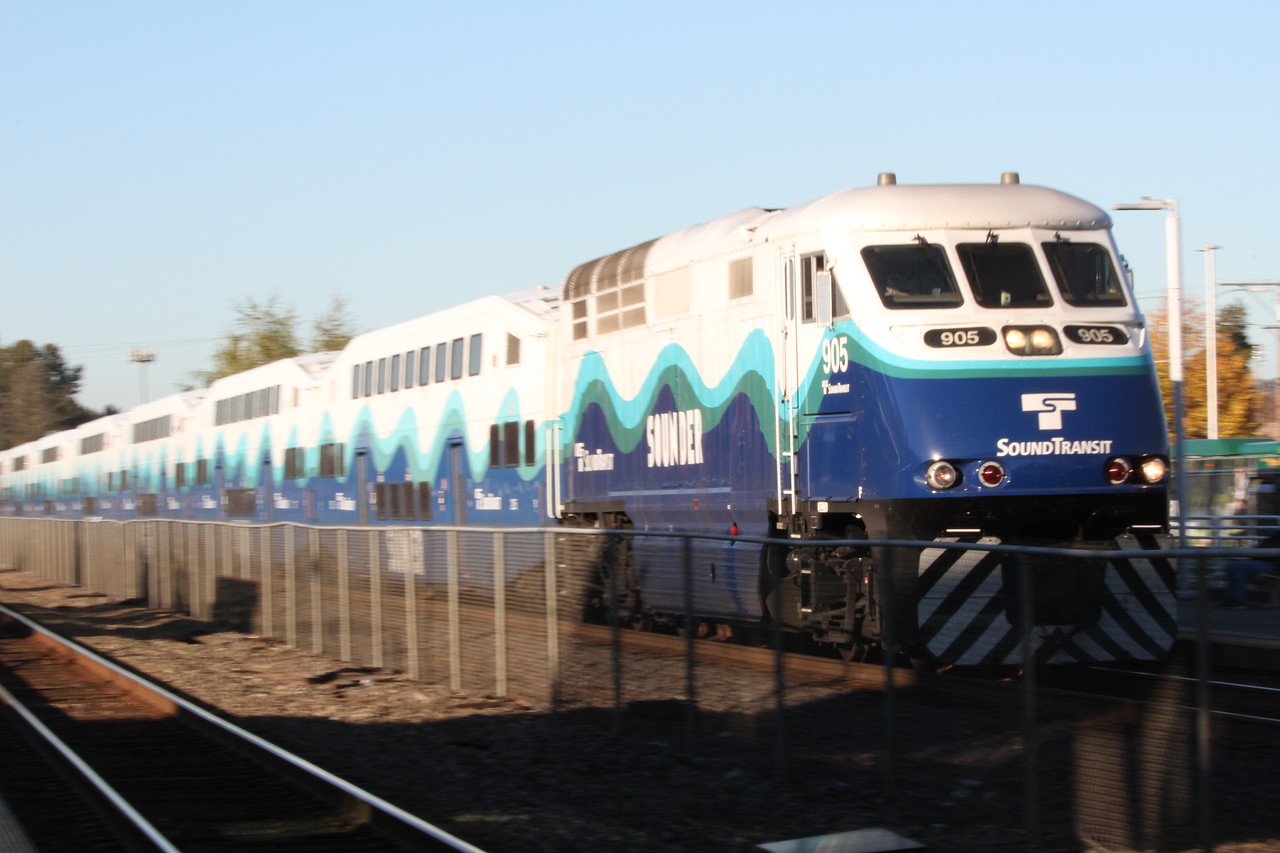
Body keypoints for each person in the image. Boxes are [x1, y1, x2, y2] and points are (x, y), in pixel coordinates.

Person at [1221, 533, 1280, 609]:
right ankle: (1234, 599)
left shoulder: (1276, 537)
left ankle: (1236, 599)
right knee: (1234, 567)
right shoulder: (1276, 537)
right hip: (1268, 563)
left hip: (1273, 565)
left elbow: (1262, 549)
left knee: (1236, 567)